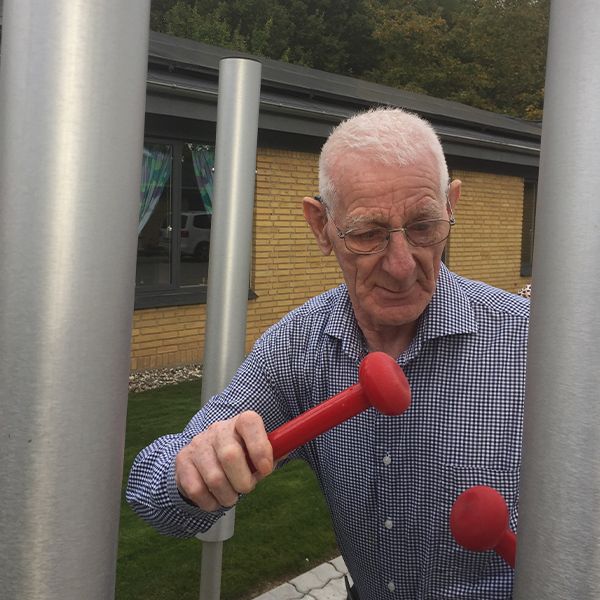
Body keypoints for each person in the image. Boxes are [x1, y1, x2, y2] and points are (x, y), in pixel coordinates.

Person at [126, 107, 529, 599]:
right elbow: (150, 496)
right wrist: (194, 469)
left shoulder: (530, 343)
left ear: (452, 205)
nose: (402, 266)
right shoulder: (299, 349)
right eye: (366, 234)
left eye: (424, 226)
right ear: (321, 226)